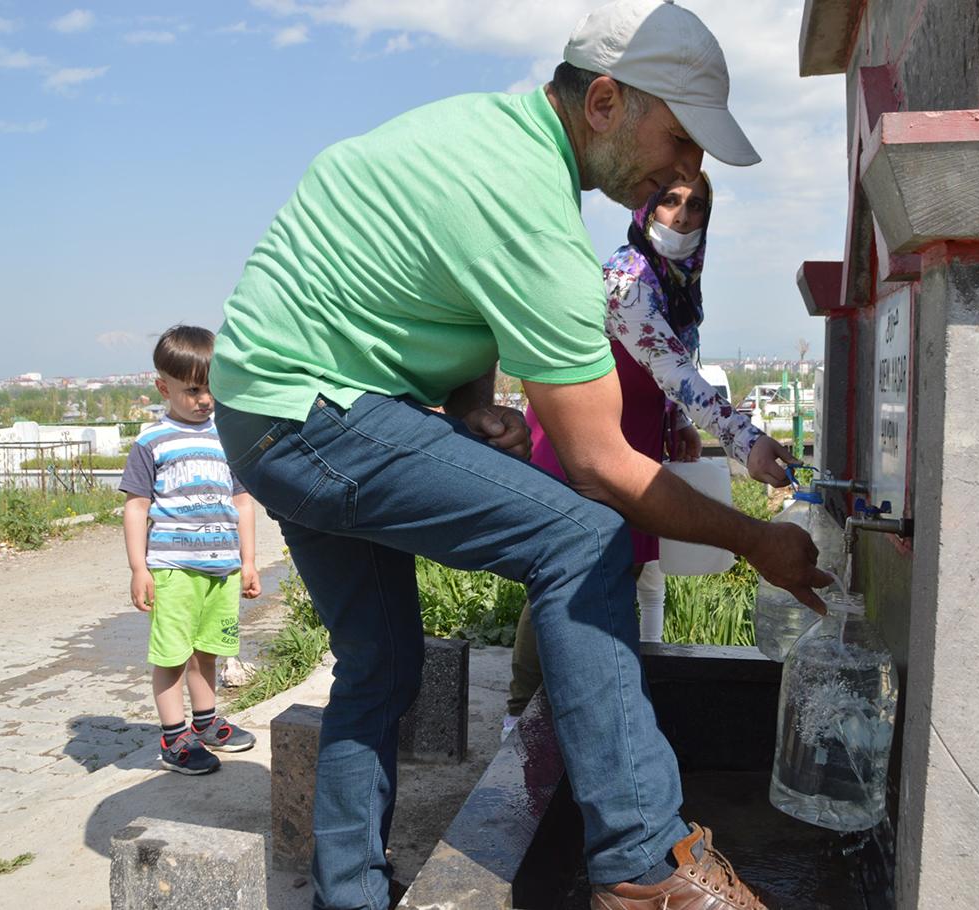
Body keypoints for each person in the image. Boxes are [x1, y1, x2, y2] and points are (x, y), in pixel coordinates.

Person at [211, 2, 831, 906]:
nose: (687, 169)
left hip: (267, 407)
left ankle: (349, 895)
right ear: (606, 102)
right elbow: (599, 466)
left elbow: (426, 288)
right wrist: (757, 541)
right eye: (680, 138)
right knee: (584, 537)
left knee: (381, 660)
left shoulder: (484, 135)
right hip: (317, 413)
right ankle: (643, 863)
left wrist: (469, 406)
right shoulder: (530, 210)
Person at [505, 172, 782, 729]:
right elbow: (672, 367)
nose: (683, 215)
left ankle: (578, 700)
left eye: (696, 205)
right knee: (567, 569)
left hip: (634, 435)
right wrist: (745, 442)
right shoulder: (629, 277)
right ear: (646, 209)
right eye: (670, 201)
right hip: (581, 435)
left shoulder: (678, 282)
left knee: (622, 568)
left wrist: (676, 421)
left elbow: (671, 367)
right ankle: (522, 711)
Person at [120, 325, 262, 775]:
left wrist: (249, 561)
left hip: (222, 569)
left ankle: (206, 723)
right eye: (193, 390)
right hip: (173, 570)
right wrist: (138, 568)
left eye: (211, 388)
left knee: (208, 651)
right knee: (173, 656)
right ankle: (174, 737)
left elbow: (242, 502)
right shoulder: (151, 442)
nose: (204, 399)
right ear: (164, 388)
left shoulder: (227, 437)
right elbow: (136, 507)